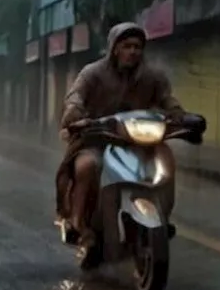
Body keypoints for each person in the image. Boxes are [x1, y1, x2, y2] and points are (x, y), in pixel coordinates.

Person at [55, 22, 187, 261]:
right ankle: (78, 223)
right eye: (127, 46)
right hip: (97, 138)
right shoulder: (92, 73)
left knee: (166, 160)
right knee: (87, 166)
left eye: (138, 46)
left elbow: (168, 99)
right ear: (115, 48)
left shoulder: (152, 76)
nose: (133, 51)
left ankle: (162, 218)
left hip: (139, 141)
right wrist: (74, 112)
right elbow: (75, 96)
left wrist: (180, 114)